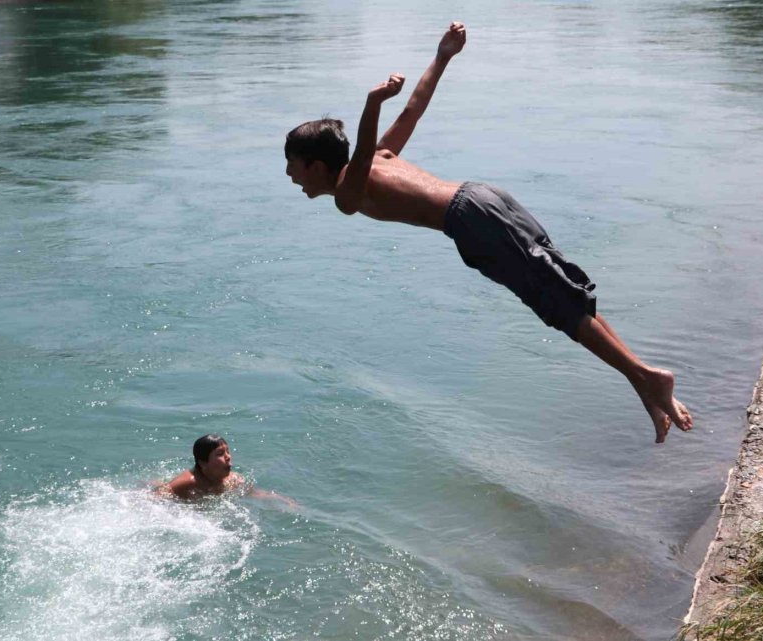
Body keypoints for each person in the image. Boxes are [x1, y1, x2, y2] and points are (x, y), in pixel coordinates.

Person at [284, 22, 692, 444]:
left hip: (469, 219)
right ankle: (643, 381)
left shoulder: (348, 191)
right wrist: (442, 57)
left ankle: (647, 376)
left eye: (292, 164)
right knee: (566, 295)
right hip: (484, 197)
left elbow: (367, 145)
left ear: (316, 165)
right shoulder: (379, 160)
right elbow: (413, 111)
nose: (289, 175)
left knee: (559, 306)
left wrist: (373, 101)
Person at [154, 434, 295, 505]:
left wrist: (283, 500)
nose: (228, 457)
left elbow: (256, 494)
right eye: (220, 454)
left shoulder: (234, 480)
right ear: (203, 463)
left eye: (228, 451)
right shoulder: (188, 482)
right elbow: (155, 498)